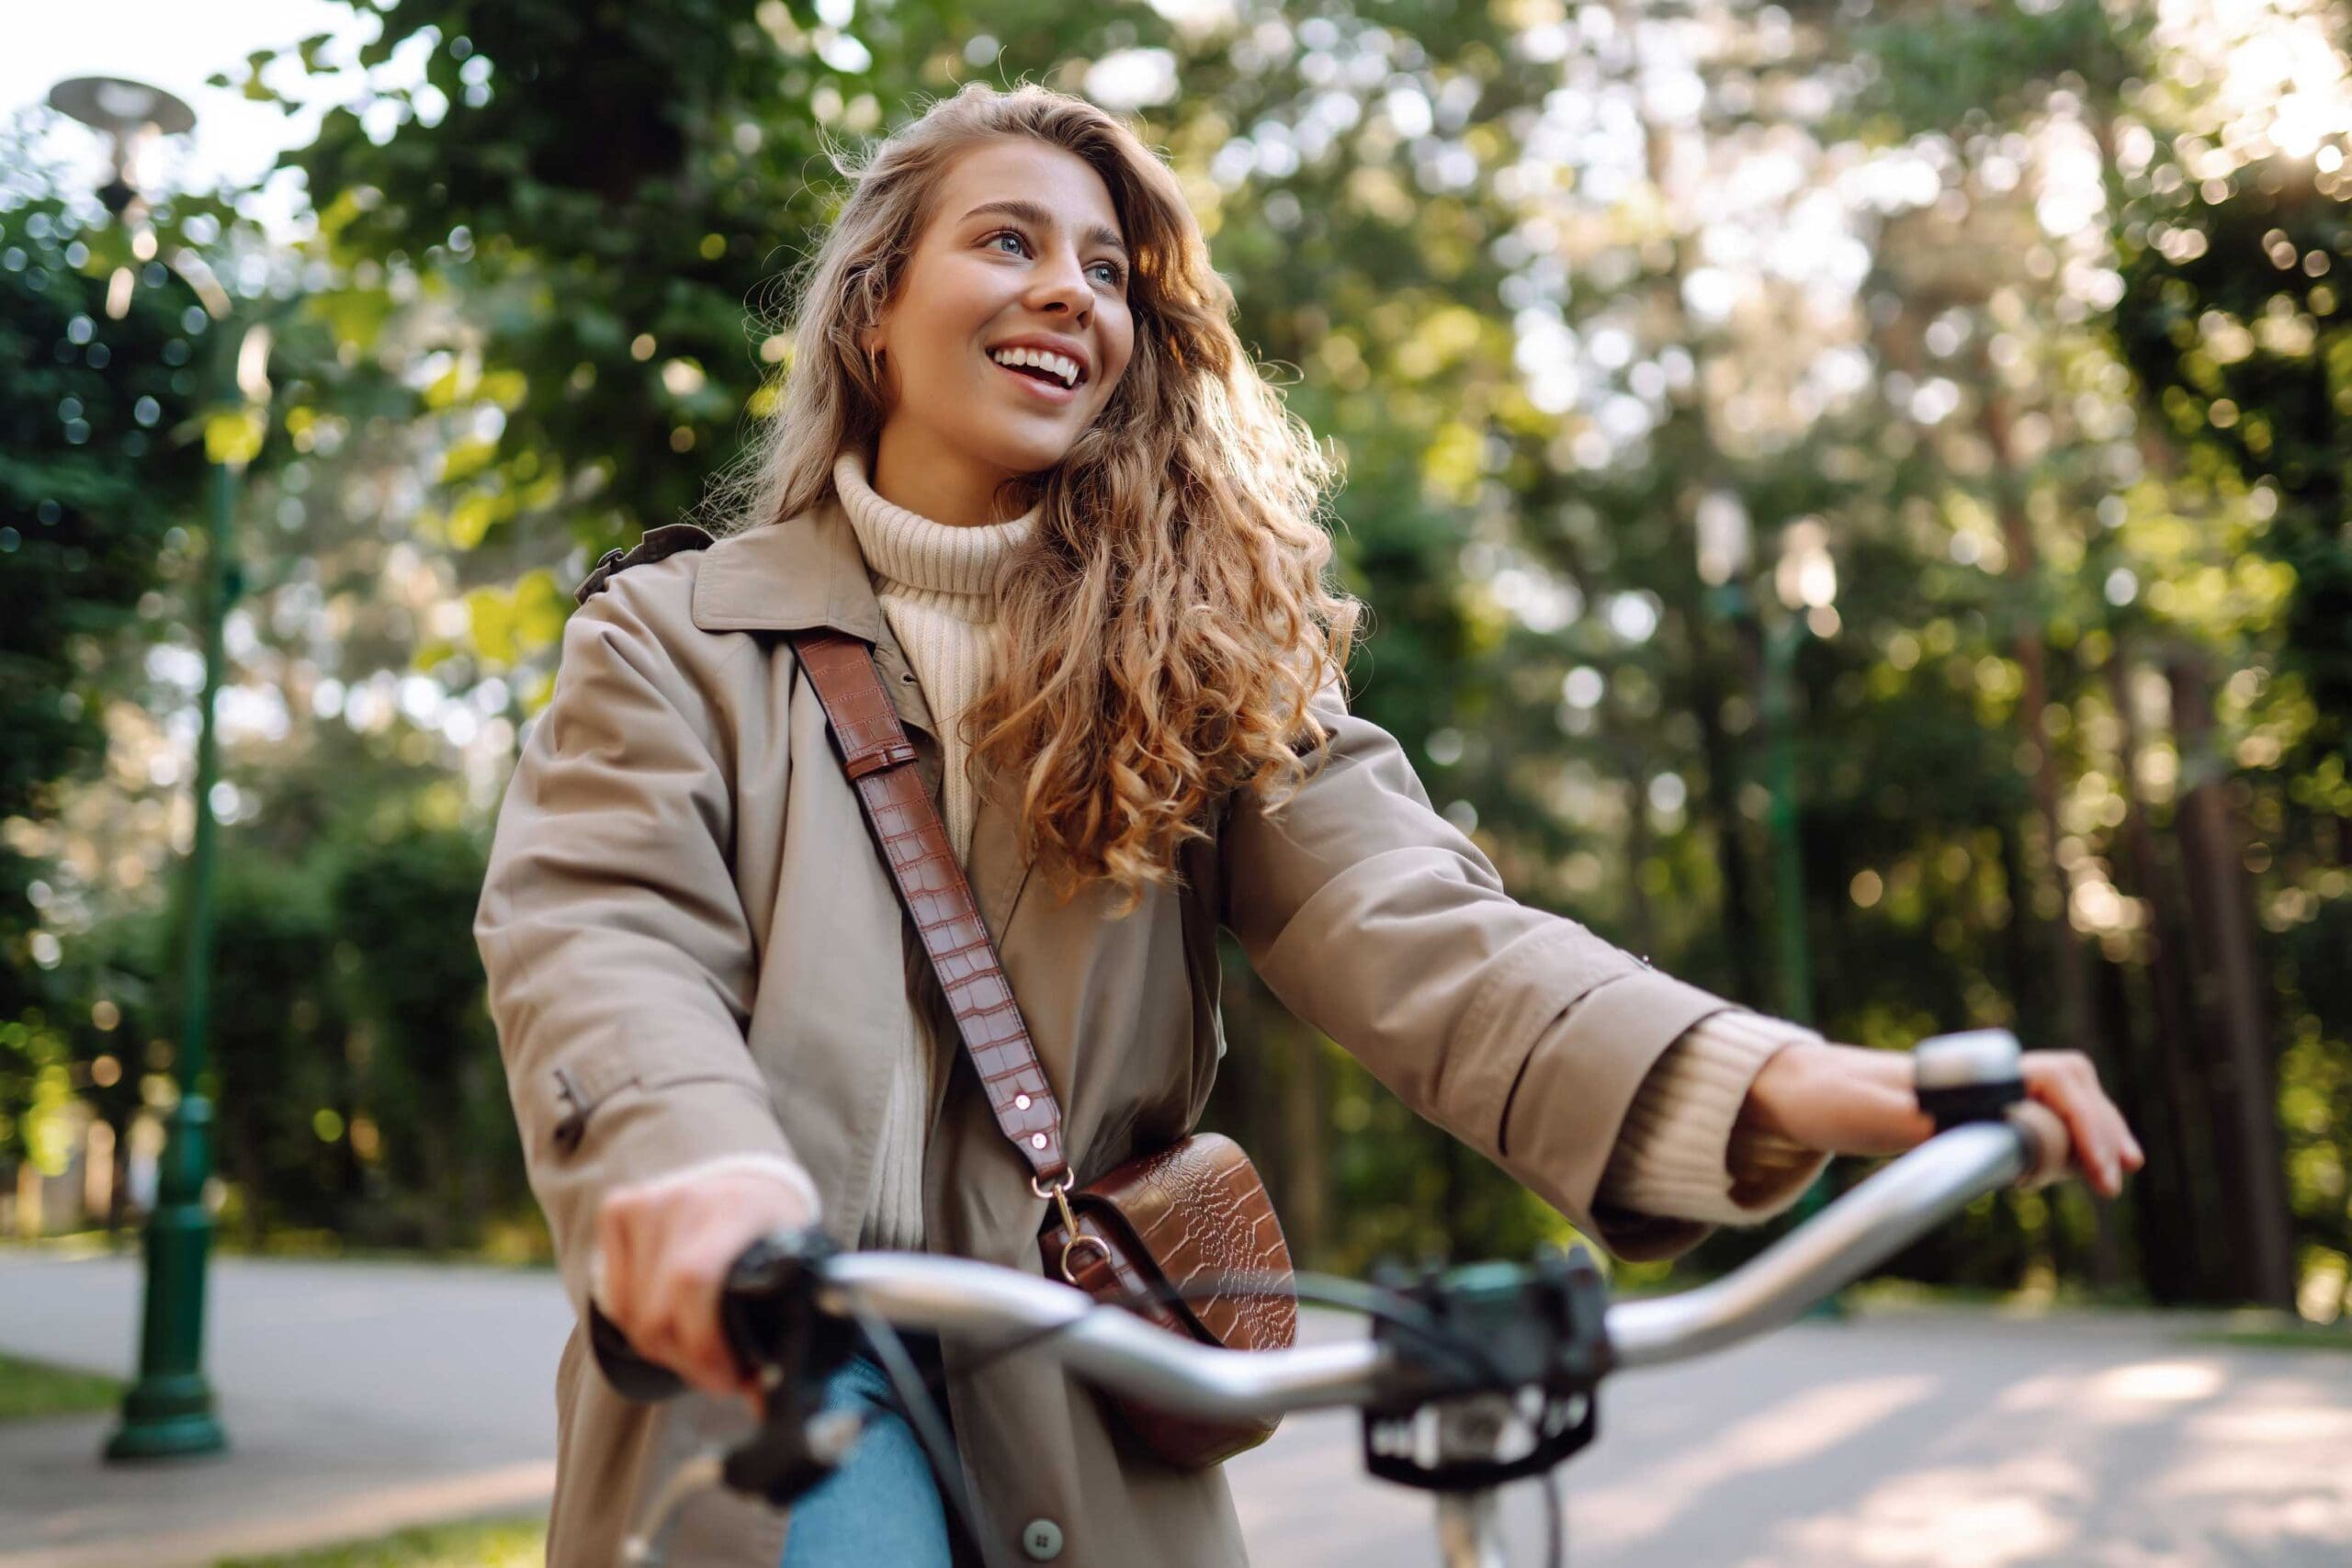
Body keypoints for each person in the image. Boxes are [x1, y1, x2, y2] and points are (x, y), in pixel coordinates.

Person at [474, 81, 2143, 1568]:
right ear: (870, 314)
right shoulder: (676, 635)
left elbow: (1430, 934)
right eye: (1006, 240)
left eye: (1110, 270)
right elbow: (604, 933)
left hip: (1095, 1388)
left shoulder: (1195, 660)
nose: (1069, 285)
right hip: (775, 1373)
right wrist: (701, 1175)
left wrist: (1787, 1076)